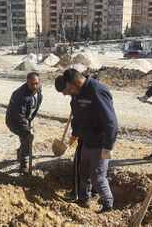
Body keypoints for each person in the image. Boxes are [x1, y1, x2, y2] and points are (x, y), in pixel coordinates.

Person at [62, 69, 118, 213]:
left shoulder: (97, 90)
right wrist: (75, 134)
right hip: (86, 141)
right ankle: (84, 199)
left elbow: (111, 121)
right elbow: (78, 117)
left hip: (100, 144)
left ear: (74, 83)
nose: (66, 92)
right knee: (84, 172)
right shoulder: (77, 94)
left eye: (68, 88)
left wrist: (108, 146)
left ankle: (108, 206)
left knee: (98, 177)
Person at [6, 72, 42, 174]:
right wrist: (27, 129)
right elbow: (19, 116)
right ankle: (23, 165)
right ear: (27, 83)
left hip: (26, 118)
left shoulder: (38, 89)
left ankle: (21, 151)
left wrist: (29, 121)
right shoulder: (20, 96)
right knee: (27, 138)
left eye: (36, 83)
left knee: (27, 139)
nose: (35, 86)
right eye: (32, 84)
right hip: (14, 121)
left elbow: (33, 107)